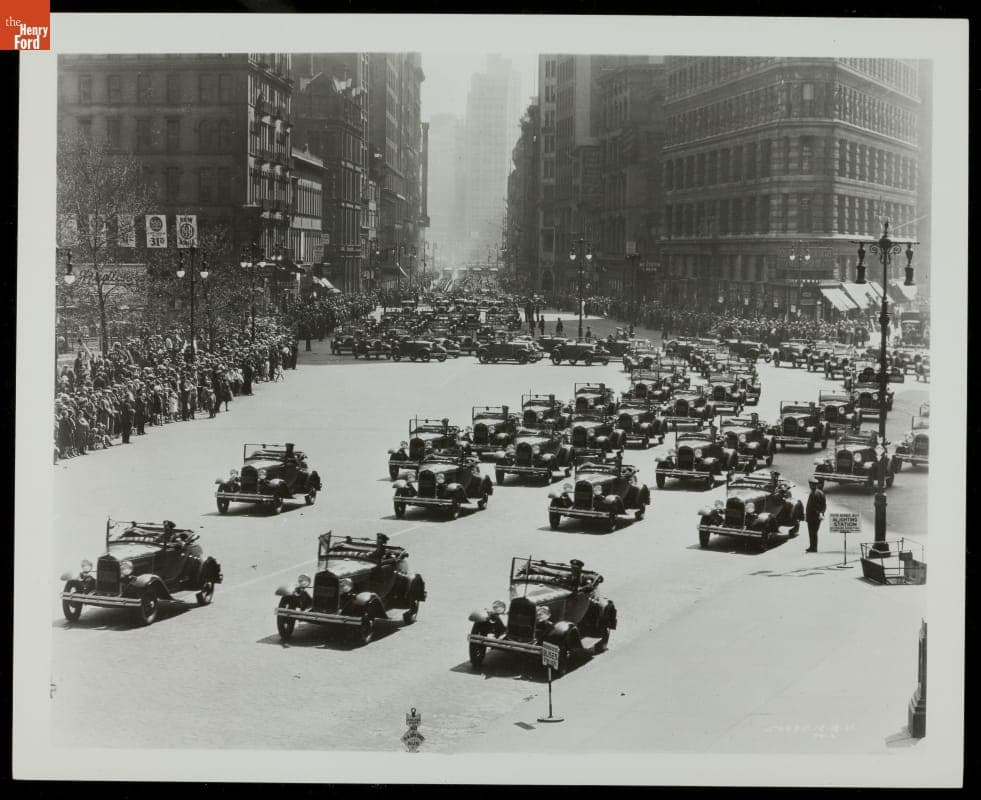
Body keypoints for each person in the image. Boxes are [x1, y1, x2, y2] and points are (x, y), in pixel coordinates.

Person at [804, 478, 826, 552]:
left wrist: (817, 513)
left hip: (813, 517)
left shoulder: (814, 493)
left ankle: (813, 548)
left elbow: (813, 507)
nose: (810, 486)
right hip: (816, 516)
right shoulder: (820, 492)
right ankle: (812, 547)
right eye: (810, 485)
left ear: (815, 485)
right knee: (813, 533)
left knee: (812, 532)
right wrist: (822, 513)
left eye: (811, 485)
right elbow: (824, 505)